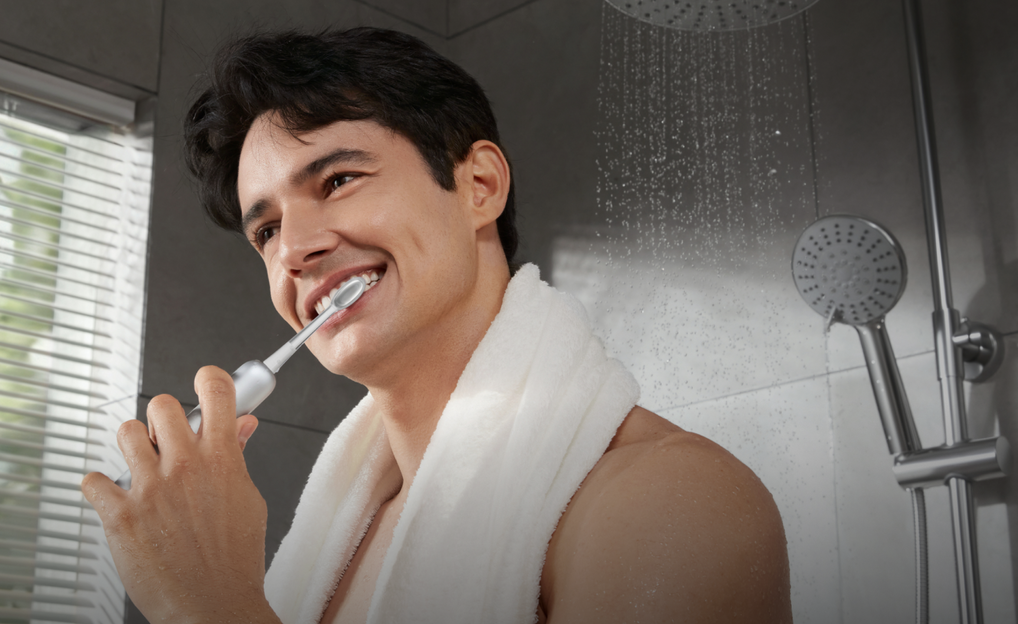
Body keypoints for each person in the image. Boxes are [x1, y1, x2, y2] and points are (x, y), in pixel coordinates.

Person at [81, 27, 791, 624]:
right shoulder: (343, 539)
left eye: (336, 181)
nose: (294, 250)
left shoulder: (671, 504)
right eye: (265, 229)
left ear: (479, 187)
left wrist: (212, 608)